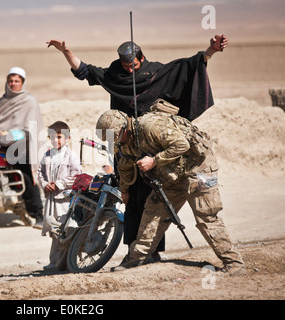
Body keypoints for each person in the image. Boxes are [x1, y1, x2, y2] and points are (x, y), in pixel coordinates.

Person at [47, 35, 229, 261]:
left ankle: (152, 252)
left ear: (141, 58)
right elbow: (84, 70)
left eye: (133, 65)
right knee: (130, 198)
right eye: (126, 66)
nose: (130, 71)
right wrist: (65, 51)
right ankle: (134, 251)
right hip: (125, 145)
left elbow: (187, 66)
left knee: (152, 199)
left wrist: (210, 51)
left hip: (154, 146)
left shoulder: (156, 73)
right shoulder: (115, 76)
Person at [95, 102, 246, 276]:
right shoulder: (127, 141)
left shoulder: (150, 126)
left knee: (207, 216)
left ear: (122, 128)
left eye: (115, 137)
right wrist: (125, 190)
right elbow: (125, 166)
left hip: (198, 169)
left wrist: (154, 161)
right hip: (172, 175)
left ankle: (234, 264)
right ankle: (136, 259)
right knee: (153, 213)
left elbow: (182, 145)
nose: (116, 142)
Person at [0, 67, 45, 228]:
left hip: (22, 146)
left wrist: (10, 134)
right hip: (0, 144)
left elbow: (30, 128)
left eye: (17, 81)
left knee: (25, 176)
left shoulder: (29, 101)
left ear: (22, 83)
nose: (13, 84)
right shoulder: (2, 101)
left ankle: (38, 215)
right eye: (10, 80)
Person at [37, 121, 81, 270]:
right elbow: (40, 173)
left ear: (67, 138)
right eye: (52, 137)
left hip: (65, 199)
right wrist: (45, 184)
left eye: (59, 137)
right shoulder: (47, 155)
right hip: (51, 198)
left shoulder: (72, 156)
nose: (55, 140)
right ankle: (54, 261)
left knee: (65, 229)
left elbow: (76, 175)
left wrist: (59, 183)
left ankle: (67, 260)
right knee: (53, 229)